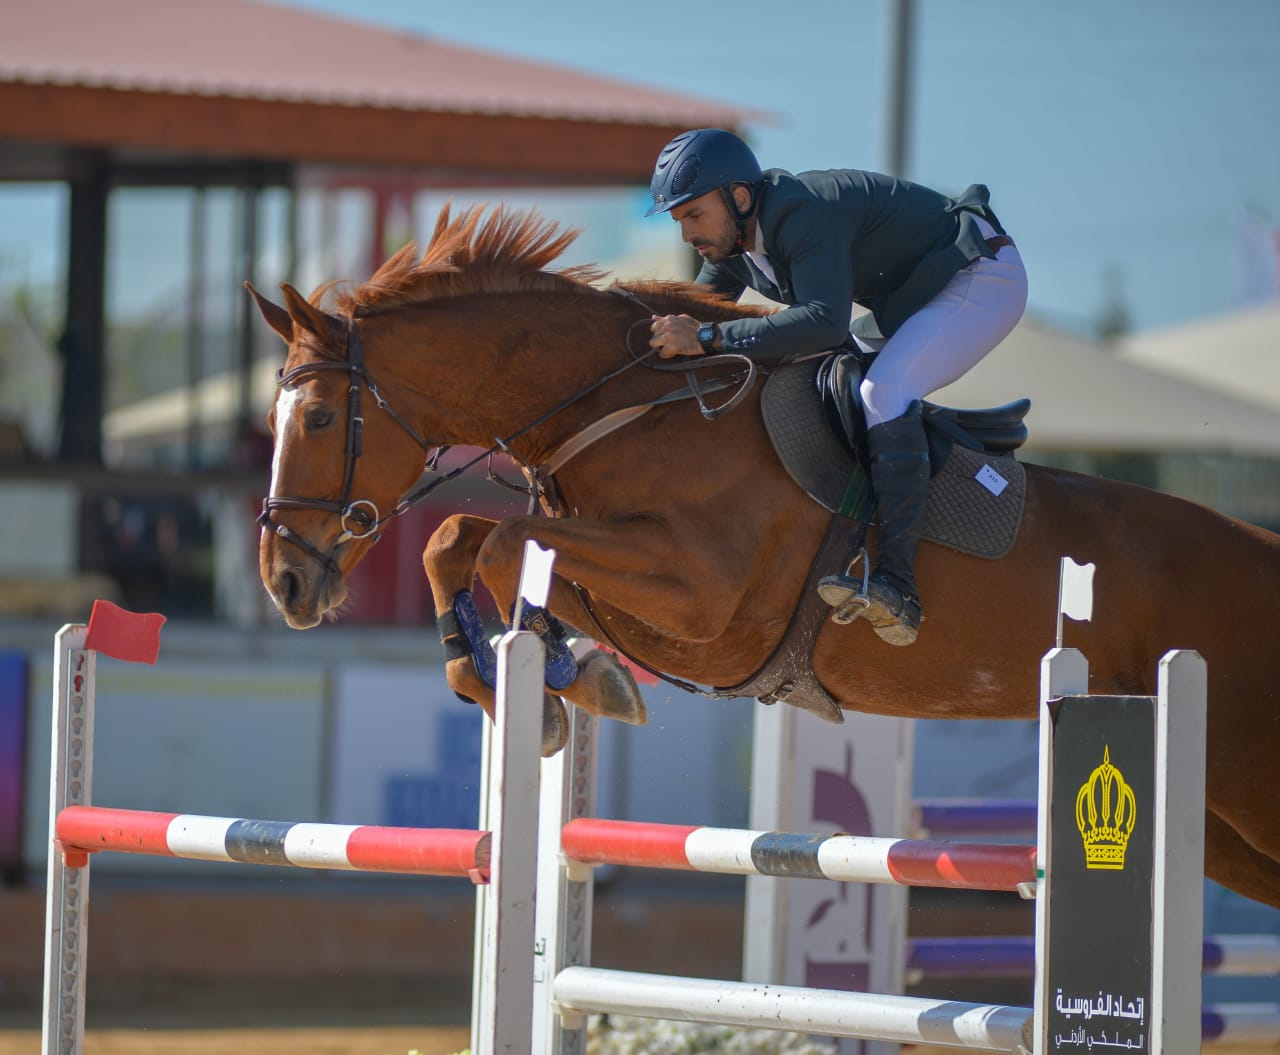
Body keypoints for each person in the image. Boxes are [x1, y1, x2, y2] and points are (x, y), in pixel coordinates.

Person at [646, 128, 1028, 647]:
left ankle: (899, 586)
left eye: (695, 214)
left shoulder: (802, 213)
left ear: (739, 197)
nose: (687, 234)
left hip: (980, 276)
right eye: (679, 220)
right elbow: (692, 320)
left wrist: (709, 337)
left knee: (881, 393)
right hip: (919, 294)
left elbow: (824, 322)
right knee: (836, 379)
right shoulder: (730, 242)